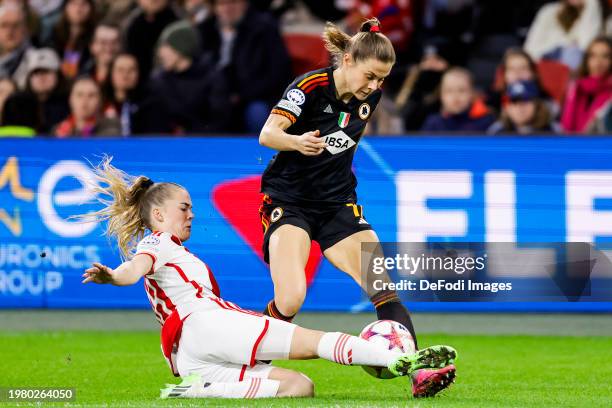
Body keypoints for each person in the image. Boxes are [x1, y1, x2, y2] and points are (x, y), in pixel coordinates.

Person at [80, 157, 457, 400]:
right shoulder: (159, 240)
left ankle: (191, 391)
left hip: (187, 357)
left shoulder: (169, 248)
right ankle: (400, 361)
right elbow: (134, 269)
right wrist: (114, 276)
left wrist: (119, 275)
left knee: (299, 387)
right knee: (317, 341)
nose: (192, 214)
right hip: (206, 324)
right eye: (185, 207)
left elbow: (140, 268)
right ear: (159, 215)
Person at [257, 18, 456, 398]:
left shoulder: (370, 96)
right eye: (370, 76)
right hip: (289, 201)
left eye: (382, 79)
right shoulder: (308, 88)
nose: (375, 87)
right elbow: (268, 134)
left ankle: (417, 374)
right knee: (291, 298)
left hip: (337, 204)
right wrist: (297, 143)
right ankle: (243, 362)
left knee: (382, 287)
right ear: (347, 59)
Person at [524, 0, 603, 69]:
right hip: (543, 65)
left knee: (574, 53)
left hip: (576, 72)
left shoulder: (598, 17)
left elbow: (586, 47)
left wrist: (591, 7)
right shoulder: (549, 11)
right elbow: (530, 49)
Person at [561, 36, 612, 132]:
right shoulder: (577, 88)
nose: (598, 62)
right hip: (572, 144)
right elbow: (565, 127)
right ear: (586, 59)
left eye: (605, 56)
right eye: (593, 56)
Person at [421, 67, 496, 132]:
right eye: (449, 91)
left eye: (461, 90)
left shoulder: (486, 122)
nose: (455, 96)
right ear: (441, 95)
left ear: (472, 93)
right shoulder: (433, 123)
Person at [487, 80, 562, 134]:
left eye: (525, 100)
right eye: (514, 101)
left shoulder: (554, 130)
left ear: (537, 104)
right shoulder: (496, 132)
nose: (519, 107)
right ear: (506, 107)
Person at [53, 75, 119, 137]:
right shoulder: (57, 132)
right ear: (70, 99)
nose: (85, 101)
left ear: (100, 101)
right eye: (79, 95)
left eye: (91, 95)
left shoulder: (111, 130)